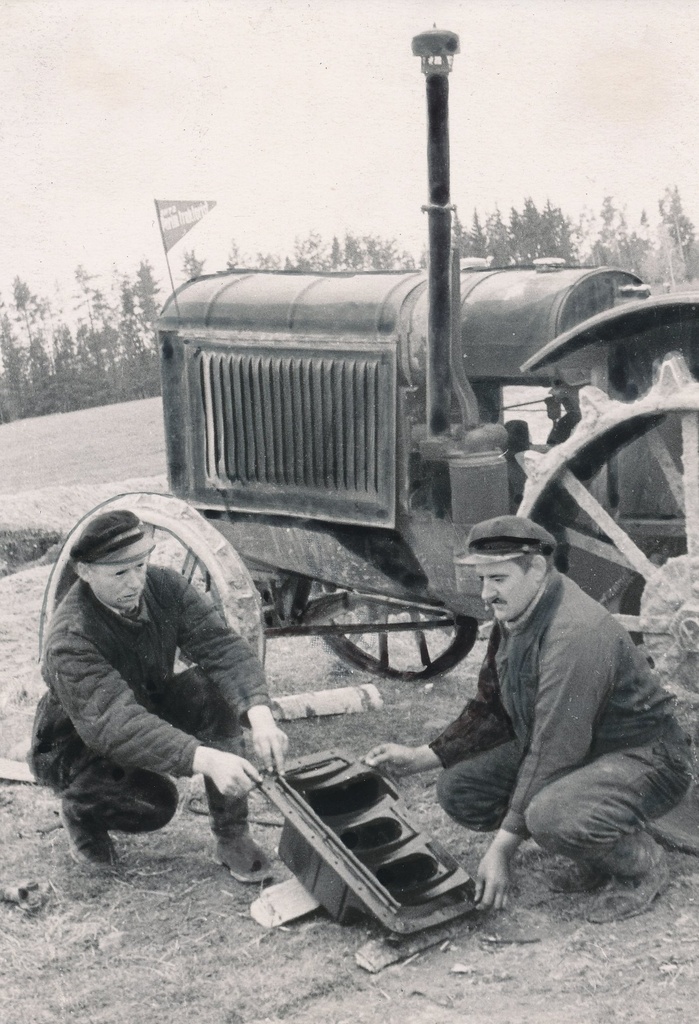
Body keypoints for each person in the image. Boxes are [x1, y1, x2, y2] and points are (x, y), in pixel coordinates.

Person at [365, 515, 692, 923]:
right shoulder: (519, 611)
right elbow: (491, 705)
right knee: (460, 789)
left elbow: (557, 748)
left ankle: (641, 864)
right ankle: (591, 843)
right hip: (580, 750)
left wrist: (502, 847)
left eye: (497, 578)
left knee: (550, 816)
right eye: (482, 580)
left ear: (536, 569)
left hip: (645, 759)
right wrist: (423, 756)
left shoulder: (574, 633)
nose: (486, 594)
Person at [29, 509, 288, 881]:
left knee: (211, 693)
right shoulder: (70, 637)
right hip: (76, 746)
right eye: (119, 573)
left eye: (140, 565)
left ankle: (232, 836)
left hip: (143, 705)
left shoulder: (165, 587)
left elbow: (221, 647)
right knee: (155, 803)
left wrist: (260, 715)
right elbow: (115, 724)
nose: (135, 582)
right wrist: (206, 759)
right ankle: (79, 811)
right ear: (84, 572)